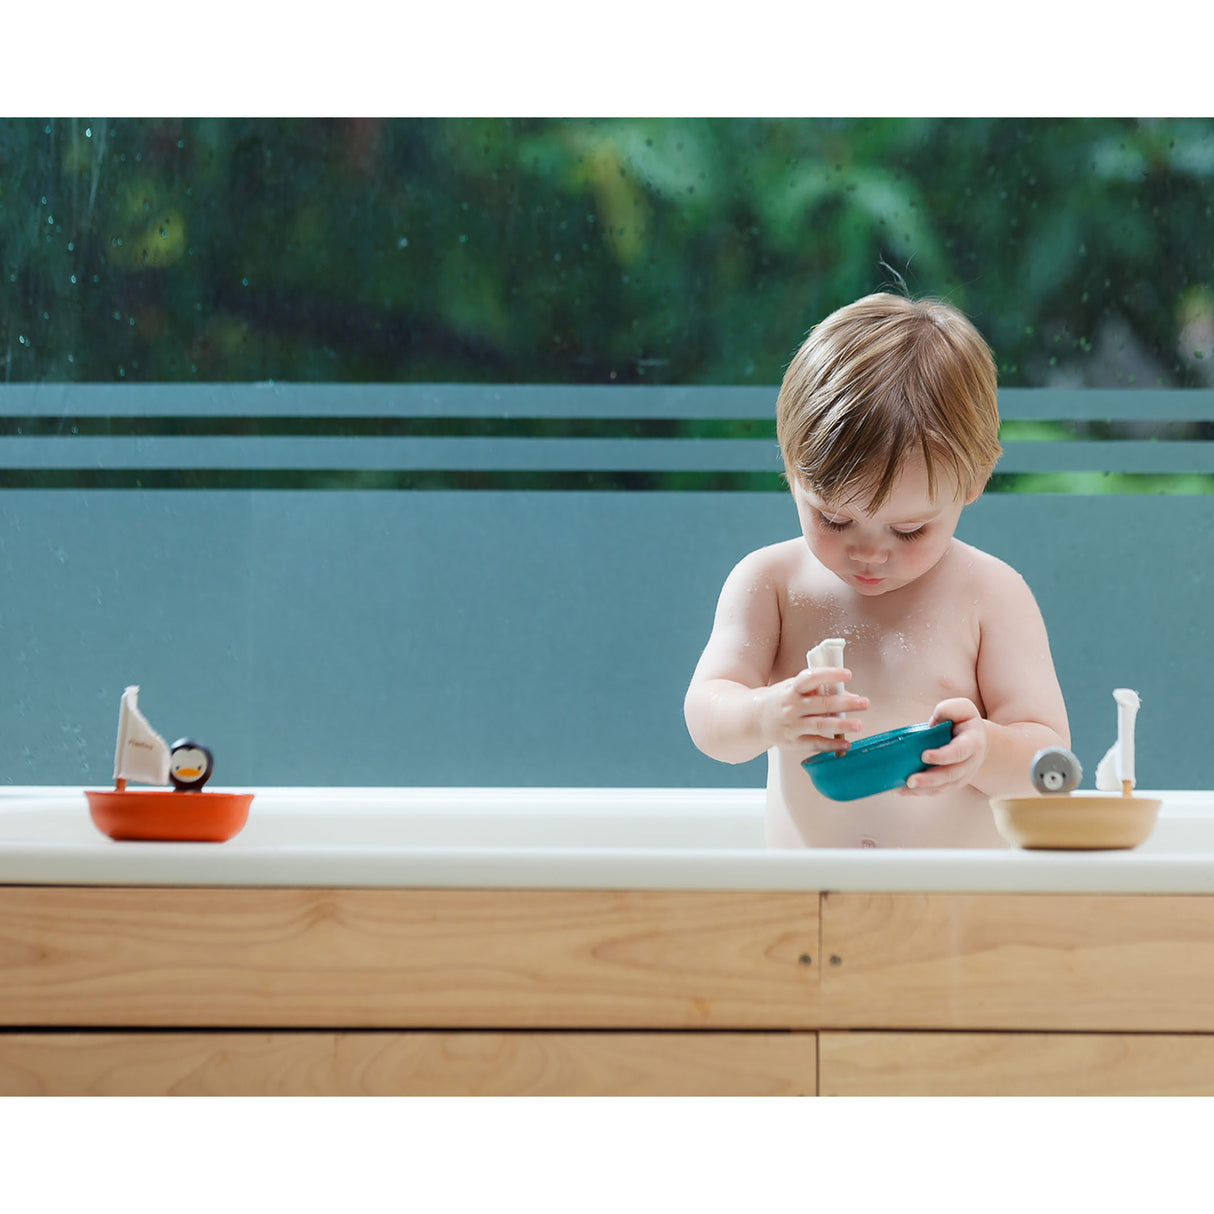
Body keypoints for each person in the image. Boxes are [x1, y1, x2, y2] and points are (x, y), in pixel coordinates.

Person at [683, 292, 1069, 848]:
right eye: (834, 520)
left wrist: (984, 749)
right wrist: (766, 714)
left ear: (973, 482)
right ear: (792, 470)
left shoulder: (990, 595)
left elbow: (1049, 762)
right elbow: (707, 716)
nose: (868, 552)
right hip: (809, 907)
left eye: (908, 530)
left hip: (955, 911)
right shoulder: (771, 583)